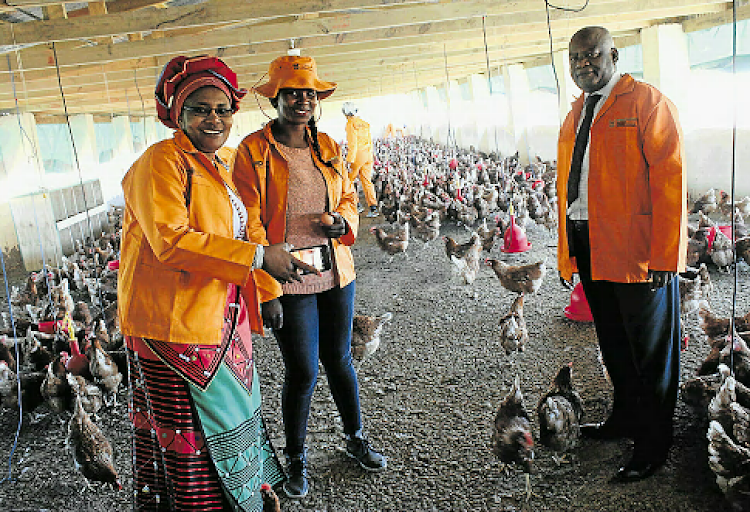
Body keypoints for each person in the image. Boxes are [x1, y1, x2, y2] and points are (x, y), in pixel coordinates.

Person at [119, 55, 318, 511]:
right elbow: (171, 242)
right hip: (173, 325)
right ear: (178, 114)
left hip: (222, 316)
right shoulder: (160, 163)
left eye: (223, 109)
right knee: (189, 435)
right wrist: (258, 258)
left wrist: (265, 290)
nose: (214, 118)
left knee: (230, 421)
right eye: (200, 109)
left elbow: (244, 234)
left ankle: (240, 499)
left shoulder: (219, 163)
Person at [233, 54, 387, 499]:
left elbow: (347, 197)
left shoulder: (330, 147)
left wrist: (342, 222)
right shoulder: (253, 152)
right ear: (275, 99)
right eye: (292, 93)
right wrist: (266, 288)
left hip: (335, 270)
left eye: (309, 93)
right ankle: (295, 456)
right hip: (286, 274)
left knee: (339, 359)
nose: (302, 100)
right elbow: (249, 222)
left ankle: (355, 437)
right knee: (302, 369)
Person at [556, 26, 687, 482]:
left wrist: (666, 257)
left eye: (591, 55)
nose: (582, 64)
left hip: (636, 250)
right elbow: (567, 189)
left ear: (613, 54)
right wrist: (566, 252)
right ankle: (626, 416)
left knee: (650, 349)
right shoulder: (577, 112)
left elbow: (671, 180)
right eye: (574, 58)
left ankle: (654, 441)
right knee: (612, 339)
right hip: (589, 241)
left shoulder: (647, 103)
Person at [343, 102, 379, 217]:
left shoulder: (350, 124)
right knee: (367, 181)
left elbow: (352, 144)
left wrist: (349, 160)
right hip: (368, 155)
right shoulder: (364, 124)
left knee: (348, 181)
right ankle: (373, 208)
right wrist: (372, 154)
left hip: (357, 156)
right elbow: (369, 140)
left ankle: (357, 205)